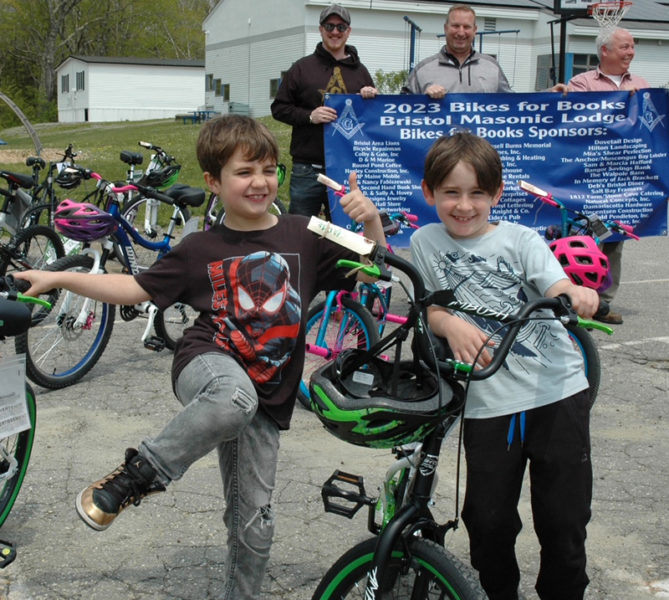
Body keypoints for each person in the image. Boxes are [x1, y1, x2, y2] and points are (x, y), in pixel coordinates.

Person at [15, 115, 385, 600]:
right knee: (232, 396)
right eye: (244, 171)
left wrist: (370, 219)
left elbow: (372, 266)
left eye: (270, 170)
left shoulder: (308, 230)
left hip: (268, 395)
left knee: (255, 521)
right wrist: (60, 278)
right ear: (213, 181)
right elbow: (134, 287)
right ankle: (139, 474)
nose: (260, 182)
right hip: (208, 364)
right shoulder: (199, 247)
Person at [410, 131, 599, 600]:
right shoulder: (425, 241)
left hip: (556, 393)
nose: (464, 205)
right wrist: (447, 322)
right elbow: (425, 307)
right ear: (430, 192)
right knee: (487, 521)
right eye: (451, 192)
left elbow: (555, 284)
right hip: (488, 404)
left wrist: (576, 294)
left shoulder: (521, 239)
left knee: (564, 519)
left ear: (497, 193)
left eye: (477, 193)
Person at [552, 27, 649, 325]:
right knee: (580, 239)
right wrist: (556, 94)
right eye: (624, 47)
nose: (630, 52)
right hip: (586, 177)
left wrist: (641, 101)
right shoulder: (582, 83)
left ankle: (604, 303)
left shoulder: (642, 84)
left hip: (622, 179)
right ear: (605, 51)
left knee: (612, 240)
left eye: (632, 46)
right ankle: (573, 298)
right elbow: (561, 111)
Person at [271, 3, 378, 218]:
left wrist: (371, 97)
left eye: (341, 27)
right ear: (321, 30)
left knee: (346, 232)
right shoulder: (301, 68)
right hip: (307, 168)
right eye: (330, 26)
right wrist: (310, 116)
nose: (335, 32)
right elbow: (279, 108)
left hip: (348, 168)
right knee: (301, 229)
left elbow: (372, 120)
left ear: (348, 31)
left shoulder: (360, 71)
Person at [401, 4, 512, 97]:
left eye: (466, 27)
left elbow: (513, 107)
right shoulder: (422, 70)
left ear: (475, 30)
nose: (460, 33)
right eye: (455, 26)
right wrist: (423, 100)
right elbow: (401, 111)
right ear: (445, 28)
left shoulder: (492, 67)